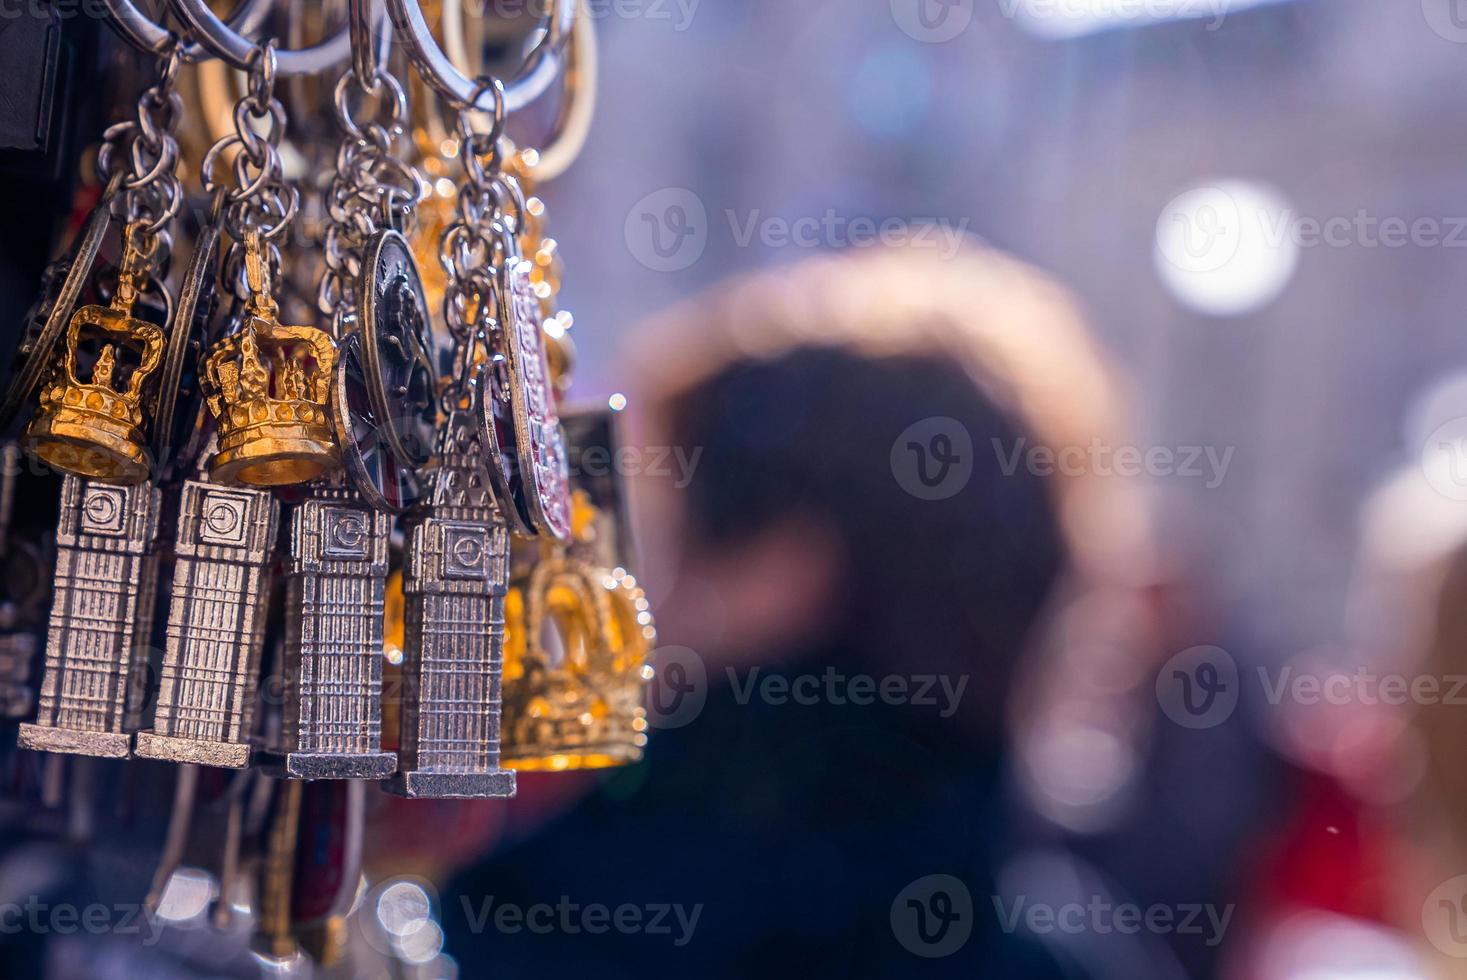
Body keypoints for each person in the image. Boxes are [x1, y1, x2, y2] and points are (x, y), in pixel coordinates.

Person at [440, 243, 1183, 977]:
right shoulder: (1069, 957)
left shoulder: (514, 919)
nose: (631, 588)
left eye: (662, 535)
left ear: (781, 570)